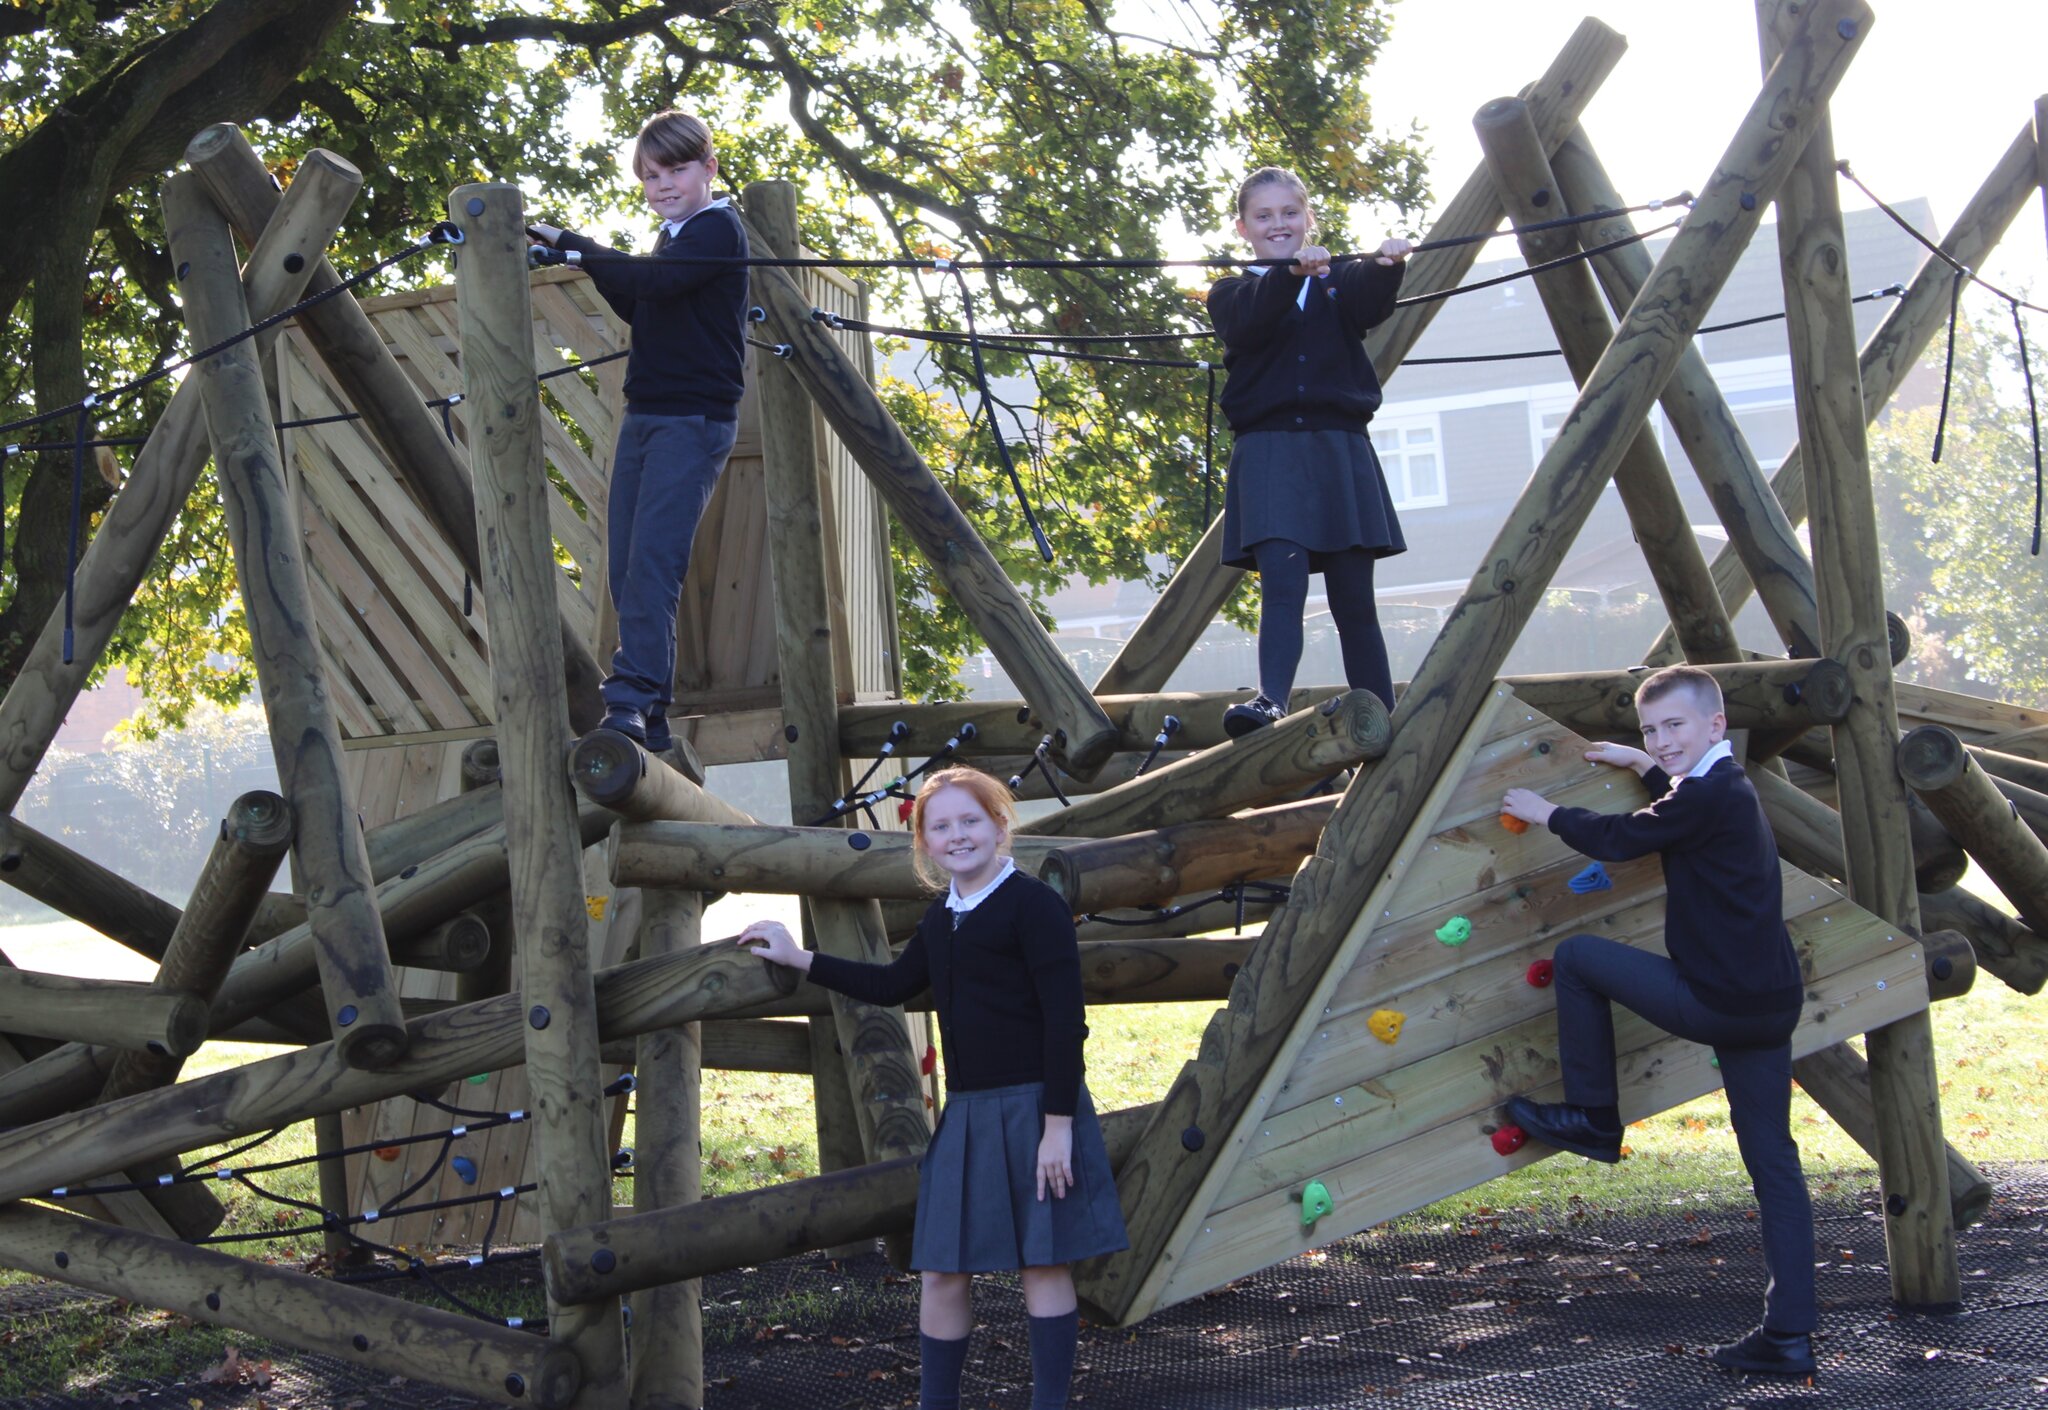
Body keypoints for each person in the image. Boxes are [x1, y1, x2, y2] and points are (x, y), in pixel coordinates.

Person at [740, 767, 1127, 1410]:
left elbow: (1066, 1023)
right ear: (923, 842)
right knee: (944, 1269)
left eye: (970, 820)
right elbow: (892, 986)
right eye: (940, 826)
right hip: (970, 1115)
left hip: (1037, 1110)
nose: (957, 835)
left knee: (1043, 1263)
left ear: (1000, 825)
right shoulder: (941, 917)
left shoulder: (1035, 907)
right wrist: (798, 957)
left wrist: (1057, 1128)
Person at [1499, 665, 1817, 1380]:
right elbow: (1679, 808)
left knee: (1578, 958)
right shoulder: (1723, 790)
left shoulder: (1708, 795)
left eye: (1674, 726)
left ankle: (1594, 1118)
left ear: (1714, 724)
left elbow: (1622, 839)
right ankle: (1789, 1335)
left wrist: (1547, 812)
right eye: (1650, 729)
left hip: (1718, 1002)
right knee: (1774, 1165)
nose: (1661, 739)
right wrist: (1643, 764)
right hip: (1768, 1005)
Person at [527, 110, 748, 754]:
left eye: (677, 169)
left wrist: (578, 245)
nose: (663, 185)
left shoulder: (716, 229)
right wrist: (570, 249)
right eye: (650, 176)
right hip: (648, 413)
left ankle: (627, 700)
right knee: (626, 568)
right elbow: (642, 299)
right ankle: (651, 710)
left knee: (653, 563)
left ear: (709, 167)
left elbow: (654, 283)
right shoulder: (673, 237)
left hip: (693, 418)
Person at [1206, 166, 1413, 737]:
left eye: (1290, 213)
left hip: (1338, 449)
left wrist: (1387, 264)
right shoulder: (1231, 290)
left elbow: (1369, 305)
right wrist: (1290, 273)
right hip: (1271, 451)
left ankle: (1380, 710)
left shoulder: (1336, 279)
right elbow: (1250, 321)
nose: (1279, 224)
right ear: (1244, 227)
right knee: (1283, 580)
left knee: (1354, 597)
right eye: (1265, 216)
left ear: (1308, 218)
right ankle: (1271, 698)